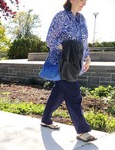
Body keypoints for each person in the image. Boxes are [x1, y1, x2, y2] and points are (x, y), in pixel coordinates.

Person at [40, 0, 96, 142]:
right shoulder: (61, 16)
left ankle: (46, 119)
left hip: (73, 64)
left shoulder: (81, 19)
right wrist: (67, 49)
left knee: (59, 92)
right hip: (62, 63)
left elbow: (83, 42)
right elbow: (50, 40)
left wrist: (87, 57)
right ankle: (82, 130)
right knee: (74, 95)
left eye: (86, 0)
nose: (84, 3)